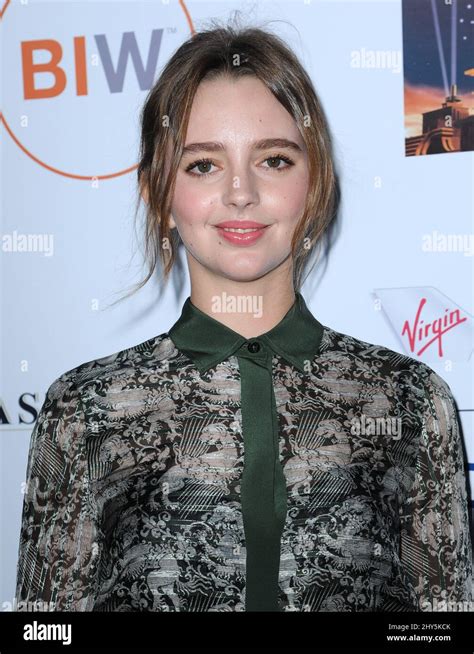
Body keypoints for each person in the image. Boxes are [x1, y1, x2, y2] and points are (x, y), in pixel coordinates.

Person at [14, 19, 473, 613]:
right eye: (203, 164)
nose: (240, 192)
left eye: (274, 160)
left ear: (313, 188)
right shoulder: (84, 410)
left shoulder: (410, 401)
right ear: (160, 196)